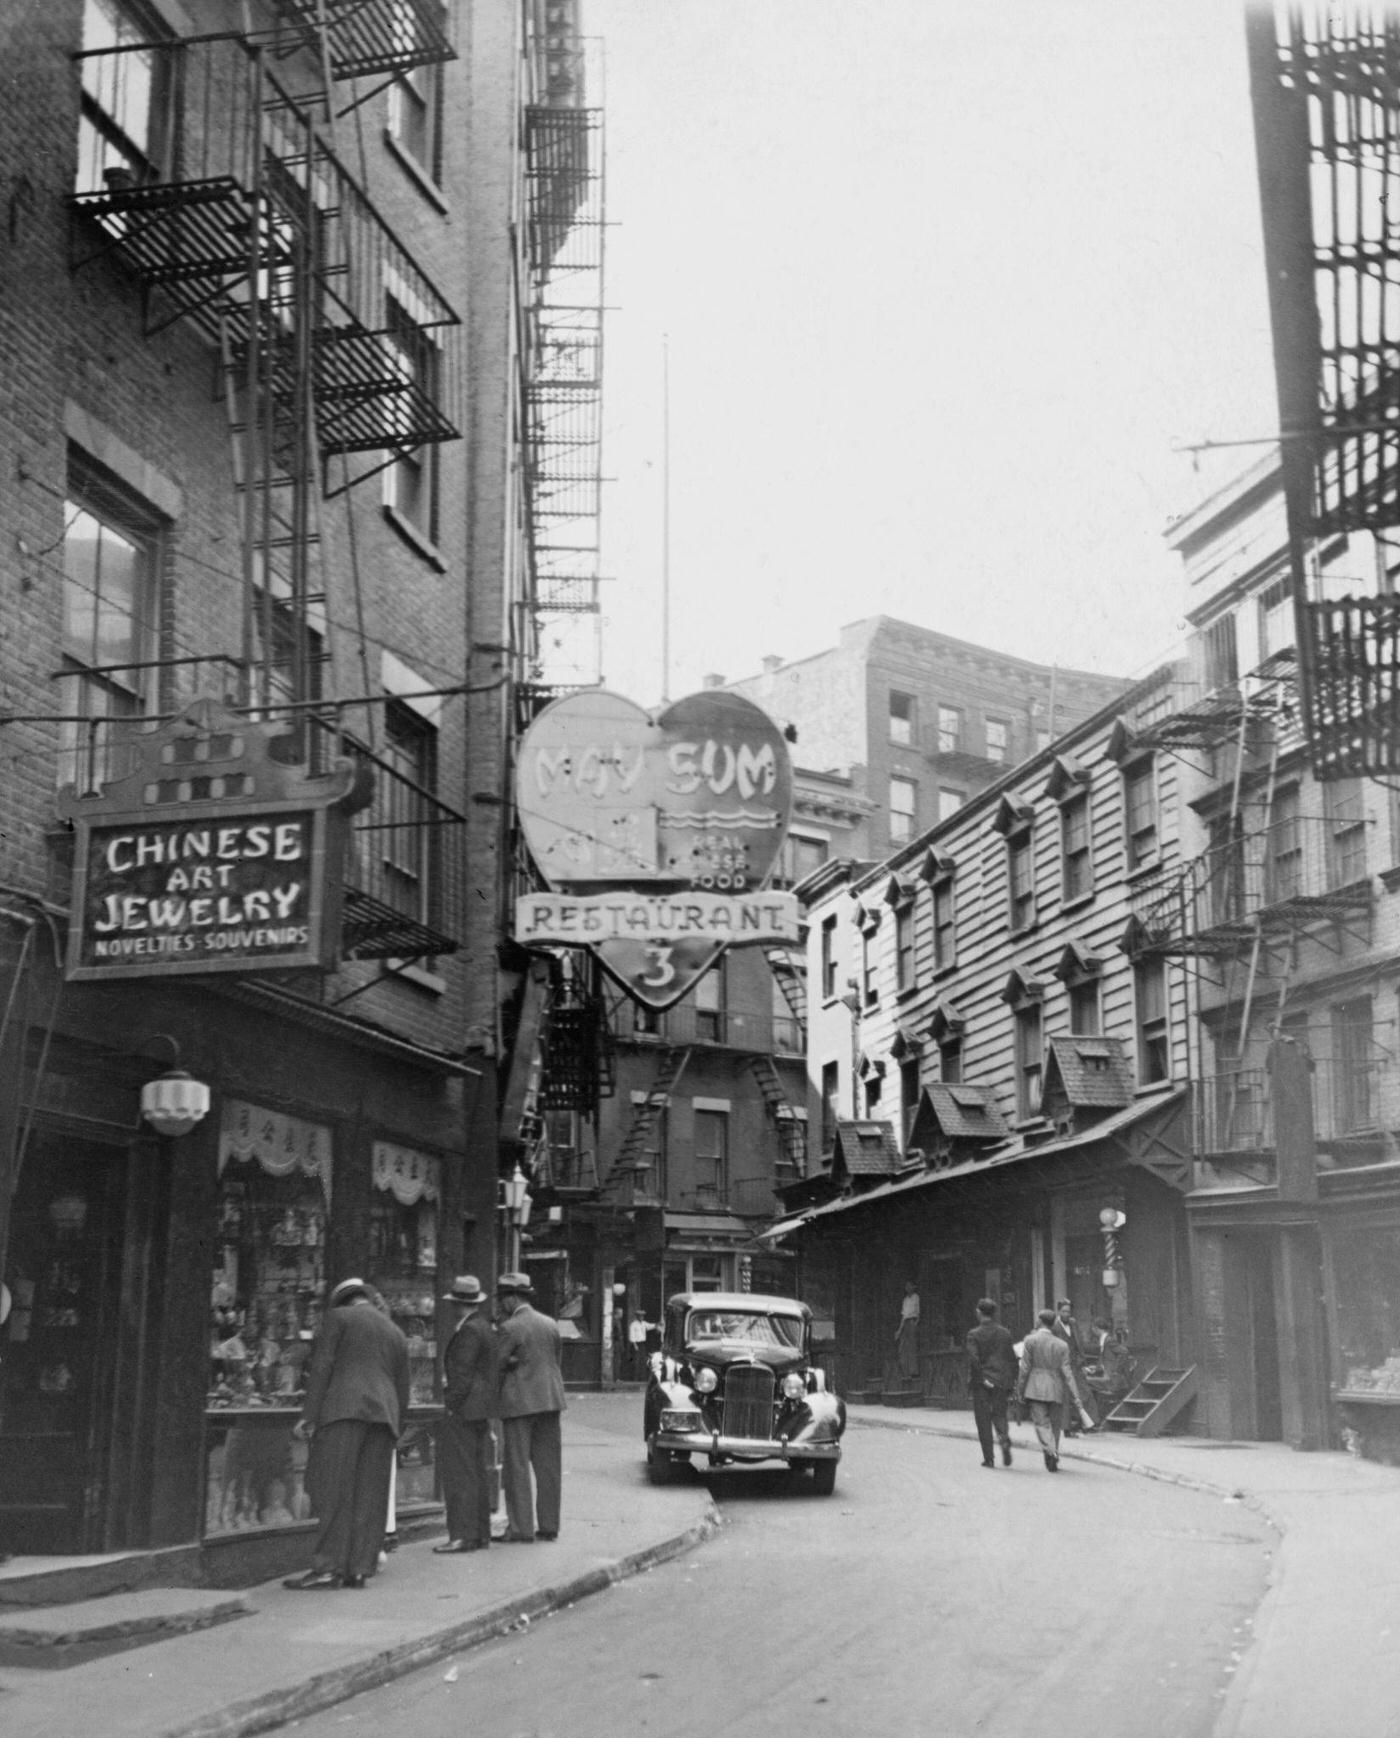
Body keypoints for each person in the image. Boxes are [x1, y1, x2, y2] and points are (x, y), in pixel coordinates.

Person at [284, 1276, 410, 1589]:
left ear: (342, 1301)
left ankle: (328, 1567)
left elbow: (323, 1366)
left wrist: (308, 1415)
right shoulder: (394, 1330)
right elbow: (403, 1386)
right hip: (384, 1417)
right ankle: (359, 1569)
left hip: (344, 1411)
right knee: (371, 1495)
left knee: (335, 1491)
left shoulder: (338, 1318)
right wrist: (398, 1425)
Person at [495, 1271, 567, 1542]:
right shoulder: (550, 1324)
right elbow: (554, 1360)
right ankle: (549, 1526)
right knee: (549, 1467)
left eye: (503, 1298)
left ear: (512, 1299)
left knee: (517, 1468)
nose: (501, 1304)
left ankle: (520, 1528)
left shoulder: (510, 1328)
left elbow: (497, 1365)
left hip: (519, 1403)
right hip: (550, 1400)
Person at [434, 1274, 497, 1555]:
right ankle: (479, 1533)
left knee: (460, 1474)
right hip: (479, 1410)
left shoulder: (468, 1331)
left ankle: (461, 1535)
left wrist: (449, 1403)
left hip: (463, 1410)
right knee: (476, 1473)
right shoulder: (484, 1327)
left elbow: (461, 1374)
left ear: (458, 1304)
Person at [1016, 1307, 1085, 1472]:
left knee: (1041, 1423)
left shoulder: (1030, 1340)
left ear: (1040, 1321)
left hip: (1035, 1387)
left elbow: (1025, 1368)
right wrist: (1076, 1396)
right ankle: (1053, 1455)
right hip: (1056, 1387)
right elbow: (1067, 1373)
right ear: (1054, 1323)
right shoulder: (1062, 1345)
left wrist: (1020, 1390)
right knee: (1055, 1425)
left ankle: (1051, 1452)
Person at [965, 1297, 1016, 1469]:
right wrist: (1011, 1381)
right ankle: (1004, 1438)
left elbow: (974, 1359)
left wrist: (982, 1379)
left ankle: (989, 1458)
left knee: (983, 1420)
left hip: (982, 1383)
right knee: (1000, 1414)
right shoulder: (1005, 1333)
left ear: (979, 1313)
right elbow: (1011, 1358)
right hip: (1001, 1381)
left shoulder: (973, 1334)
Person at [1052, 1297, 1096, 1434]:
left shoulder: (1073, 1324)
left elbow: (1079, 1343)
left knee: (1084, 1393)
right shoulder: (1055, 1327)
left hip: (1076, 1365)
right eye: (1064, 1311)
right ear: (1059, 1311)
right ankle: (1067, 1428)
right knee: (1066, 1397)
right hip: (1062, 1366)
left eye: (1068, 1311)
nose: (1066, 1314)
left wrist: (1082, 1361)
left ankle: (1089, 1423)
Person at [894, 1281, 920, 1382]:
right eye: (906, 1286)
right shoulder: (905, 1300)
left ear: (913, 1287)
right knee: (902, 1348)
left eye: (910, 1286)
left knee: (912, 1347)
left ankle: (913, 1372)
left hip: (912, 1321)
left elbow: (917, 1313)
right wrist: (899, 1330)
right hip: (905, 1323)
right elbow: (903, 1316)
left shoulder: (916, 1297)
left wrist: (915, 1324)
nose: (908, 1288)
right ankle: (905, 1373)